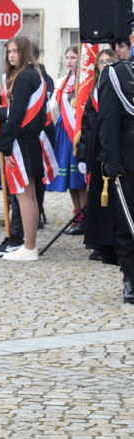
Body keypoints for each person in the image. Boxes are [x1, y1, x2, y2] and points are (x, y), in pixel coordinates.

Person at [0, 36, 46, 262]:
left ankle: (29, 246)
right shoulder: (35, 73)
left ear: (24, 52)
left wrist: (5, 148)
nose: (11, 55)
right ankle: (28, 244)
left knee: (24, 195)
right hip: (29, 140)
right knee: (28, 194)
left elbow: (16, 115)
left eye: (15, 51)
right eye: (9, 51)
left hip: (20, 142)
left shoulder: (24, 77)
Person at [97, 54, 134, 302]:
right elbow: (107, 120)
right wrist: (111, 159)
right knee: (128, 223)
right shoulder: (116, 74)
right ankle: (131, 278)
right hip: (129, 159)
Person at [79, 49, 119, 264]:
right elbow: (86, 126)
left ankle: (113, 243)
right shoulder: (93, 91)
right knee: (97, 200)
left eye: (109, 61)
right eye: (101, 62)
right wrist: (83, 156)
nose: (104, 65)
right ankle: (99, 243)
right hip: (96, 151)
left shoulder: (121, 88)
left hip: (112, 150)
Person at [47, 46, 88, 233]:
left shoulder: (84, 81)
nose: (70, 61)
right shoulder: (64, 81)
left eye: (74, 57)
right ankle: (77, 214)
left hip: (77, 132)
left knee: (80, 178)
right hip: (65, 132)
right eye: (67, 57)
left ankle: (86, 218)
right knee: (71, 179)